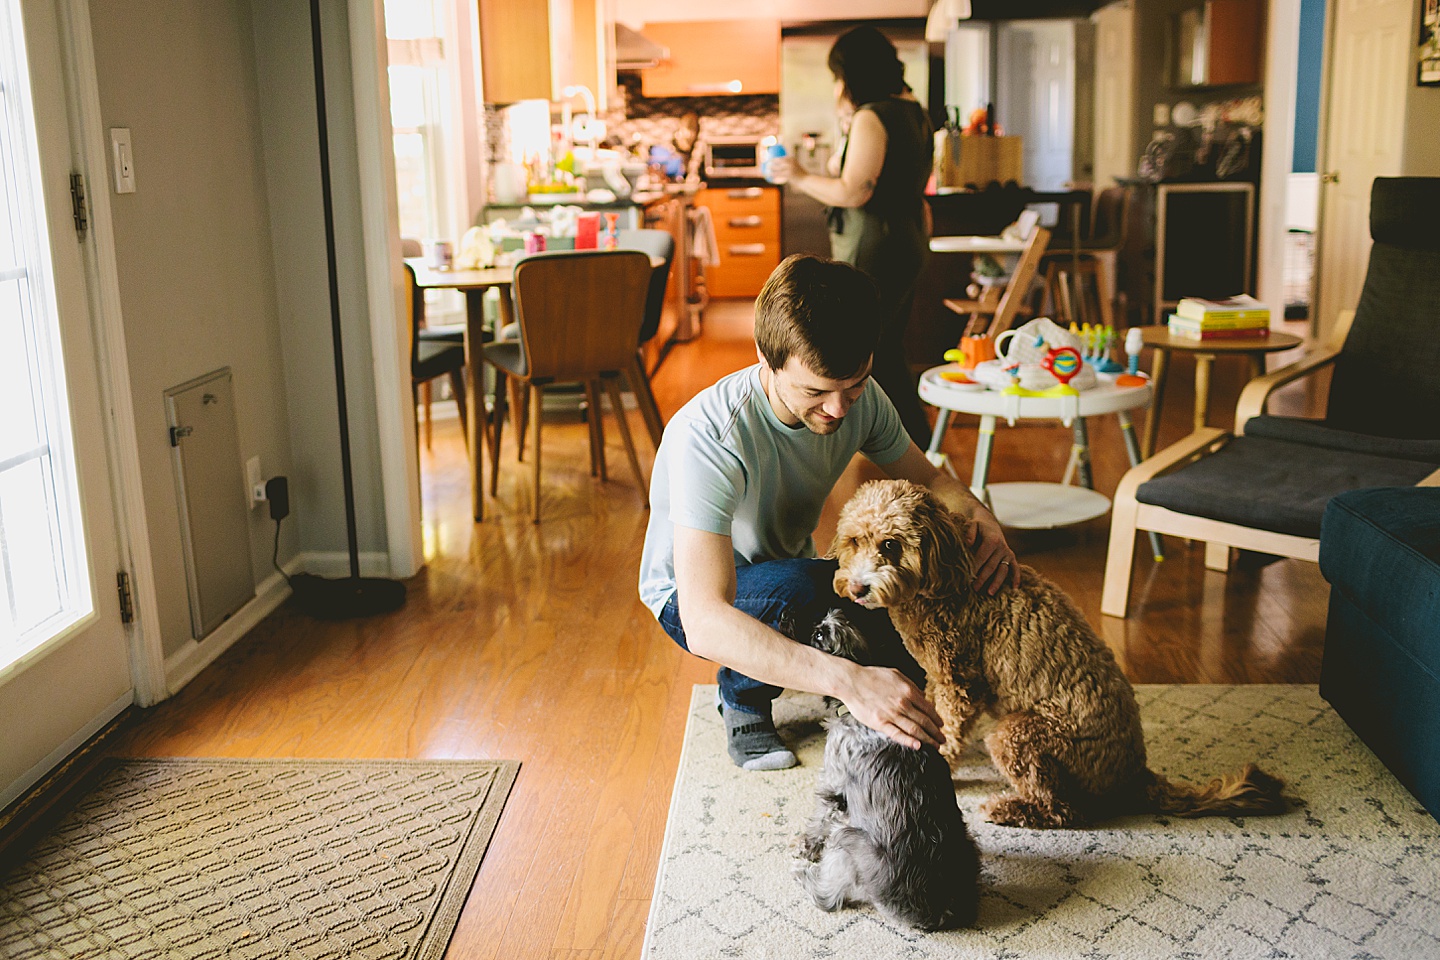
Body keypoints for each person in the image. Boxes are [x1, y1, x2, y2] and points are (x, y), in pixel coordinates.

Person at [638, 255, 1018, 772]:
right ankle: (743, 699)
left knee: (906, 625)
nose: (839, 410)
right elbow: (706, 618)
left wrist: (981, 518)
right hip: (691, 597)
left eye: (854, 384)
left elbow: (932, 481)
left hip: (790, 569)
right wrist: (851, 681)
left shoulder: (859, 398)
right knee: (815, 591)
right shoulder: (708, 439)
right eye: (815, 391)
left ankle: (813, 653)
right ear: (764, 359)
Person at [768, 25, 935, 447]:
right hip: (908, 239)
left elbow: (854, 190)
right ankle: (905, 445)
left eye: (839, 75)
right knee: (887, 347)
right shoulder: (915, 112)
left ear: (854, 74)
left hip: (874, 245)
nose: (837, 85)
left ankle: (905, 446)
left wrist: (799, 176)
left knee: (866, 349)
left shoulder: (873, 115)